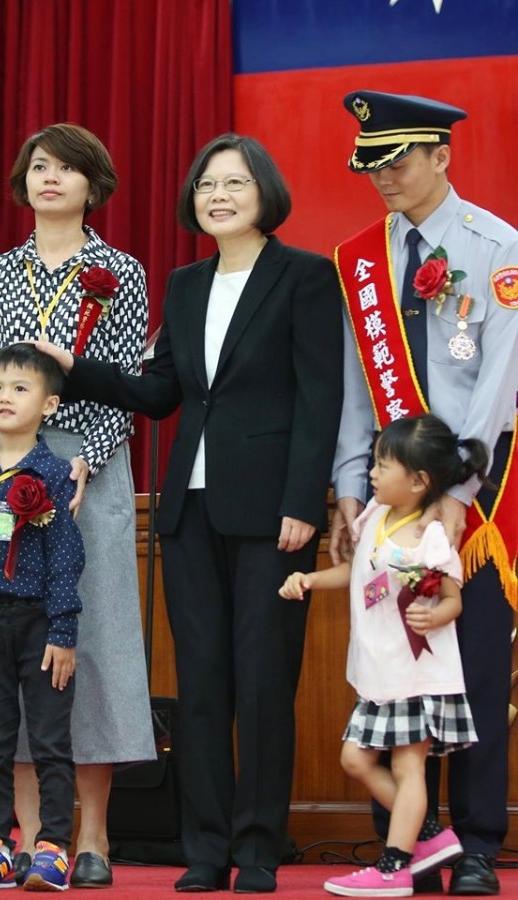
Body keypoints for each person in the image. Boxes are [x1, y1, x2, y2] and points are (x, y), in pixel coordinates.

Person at [36, 132, 344, 893]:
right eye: (207, 185)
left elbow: (320, 396)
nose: (219, 196)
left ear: (264, 192)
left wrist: (304, 501)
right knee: (202, 683)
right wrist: (79, 371)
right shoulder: (185, 285)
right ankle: (205, 848)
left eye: (234, 183)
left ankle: (260, 850)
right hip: (189, 511)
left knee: (266, 682)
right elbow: (162, 393)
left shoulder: (305, 277)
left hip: (274, 511)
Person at [0, 123, 155, 889]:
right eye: (38, 167)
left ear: (94, 184)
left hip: (82, 472)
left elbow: (125, 379)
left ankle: (88, 833)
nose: (50, 178)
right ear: (22, 183)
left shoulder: (119, 270)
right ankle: (25, 838)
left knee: (83, 646)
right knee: (4, 640)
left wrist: (83, 462)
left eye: (66, 168)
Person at [331, 90, 518, 895]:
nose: (385, 177)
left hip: (477, 498)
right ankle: (409, 843)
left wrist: (457, 490)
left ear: (442, 156)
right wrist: (348, 485)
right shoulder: (360, 260)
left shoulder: (496, 246)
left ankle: (475, 840)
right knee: (397, 660)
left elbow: (501, 382)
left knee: (471, 667)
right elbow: (355, 388)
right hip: (390, 498)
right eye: (372, 162)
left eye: (398, 160)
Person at [281, 414, 489, 897]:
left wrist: (437, 617)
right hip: (379, 671)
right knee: (355, 759)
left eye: (382, 465)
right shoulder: (375, 514)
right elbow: (358, 573)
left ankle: (396, 864)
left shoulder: (430, 537)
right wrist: (310, 580)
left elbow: (454, 599)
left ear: (419, 481)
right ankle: (432, 839)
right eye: (373, 462)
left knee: (407, 768)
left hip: (417, 674)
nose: (371, 473)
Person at [0, 344, 85, 891]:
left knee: (51, 742)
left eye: (20, 389)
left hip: (39, 625)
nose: (5, 397)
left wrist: (64, 631)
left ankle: (52, 847)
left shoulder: (53, 474)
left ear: (49, 405)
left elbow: (67, 560)